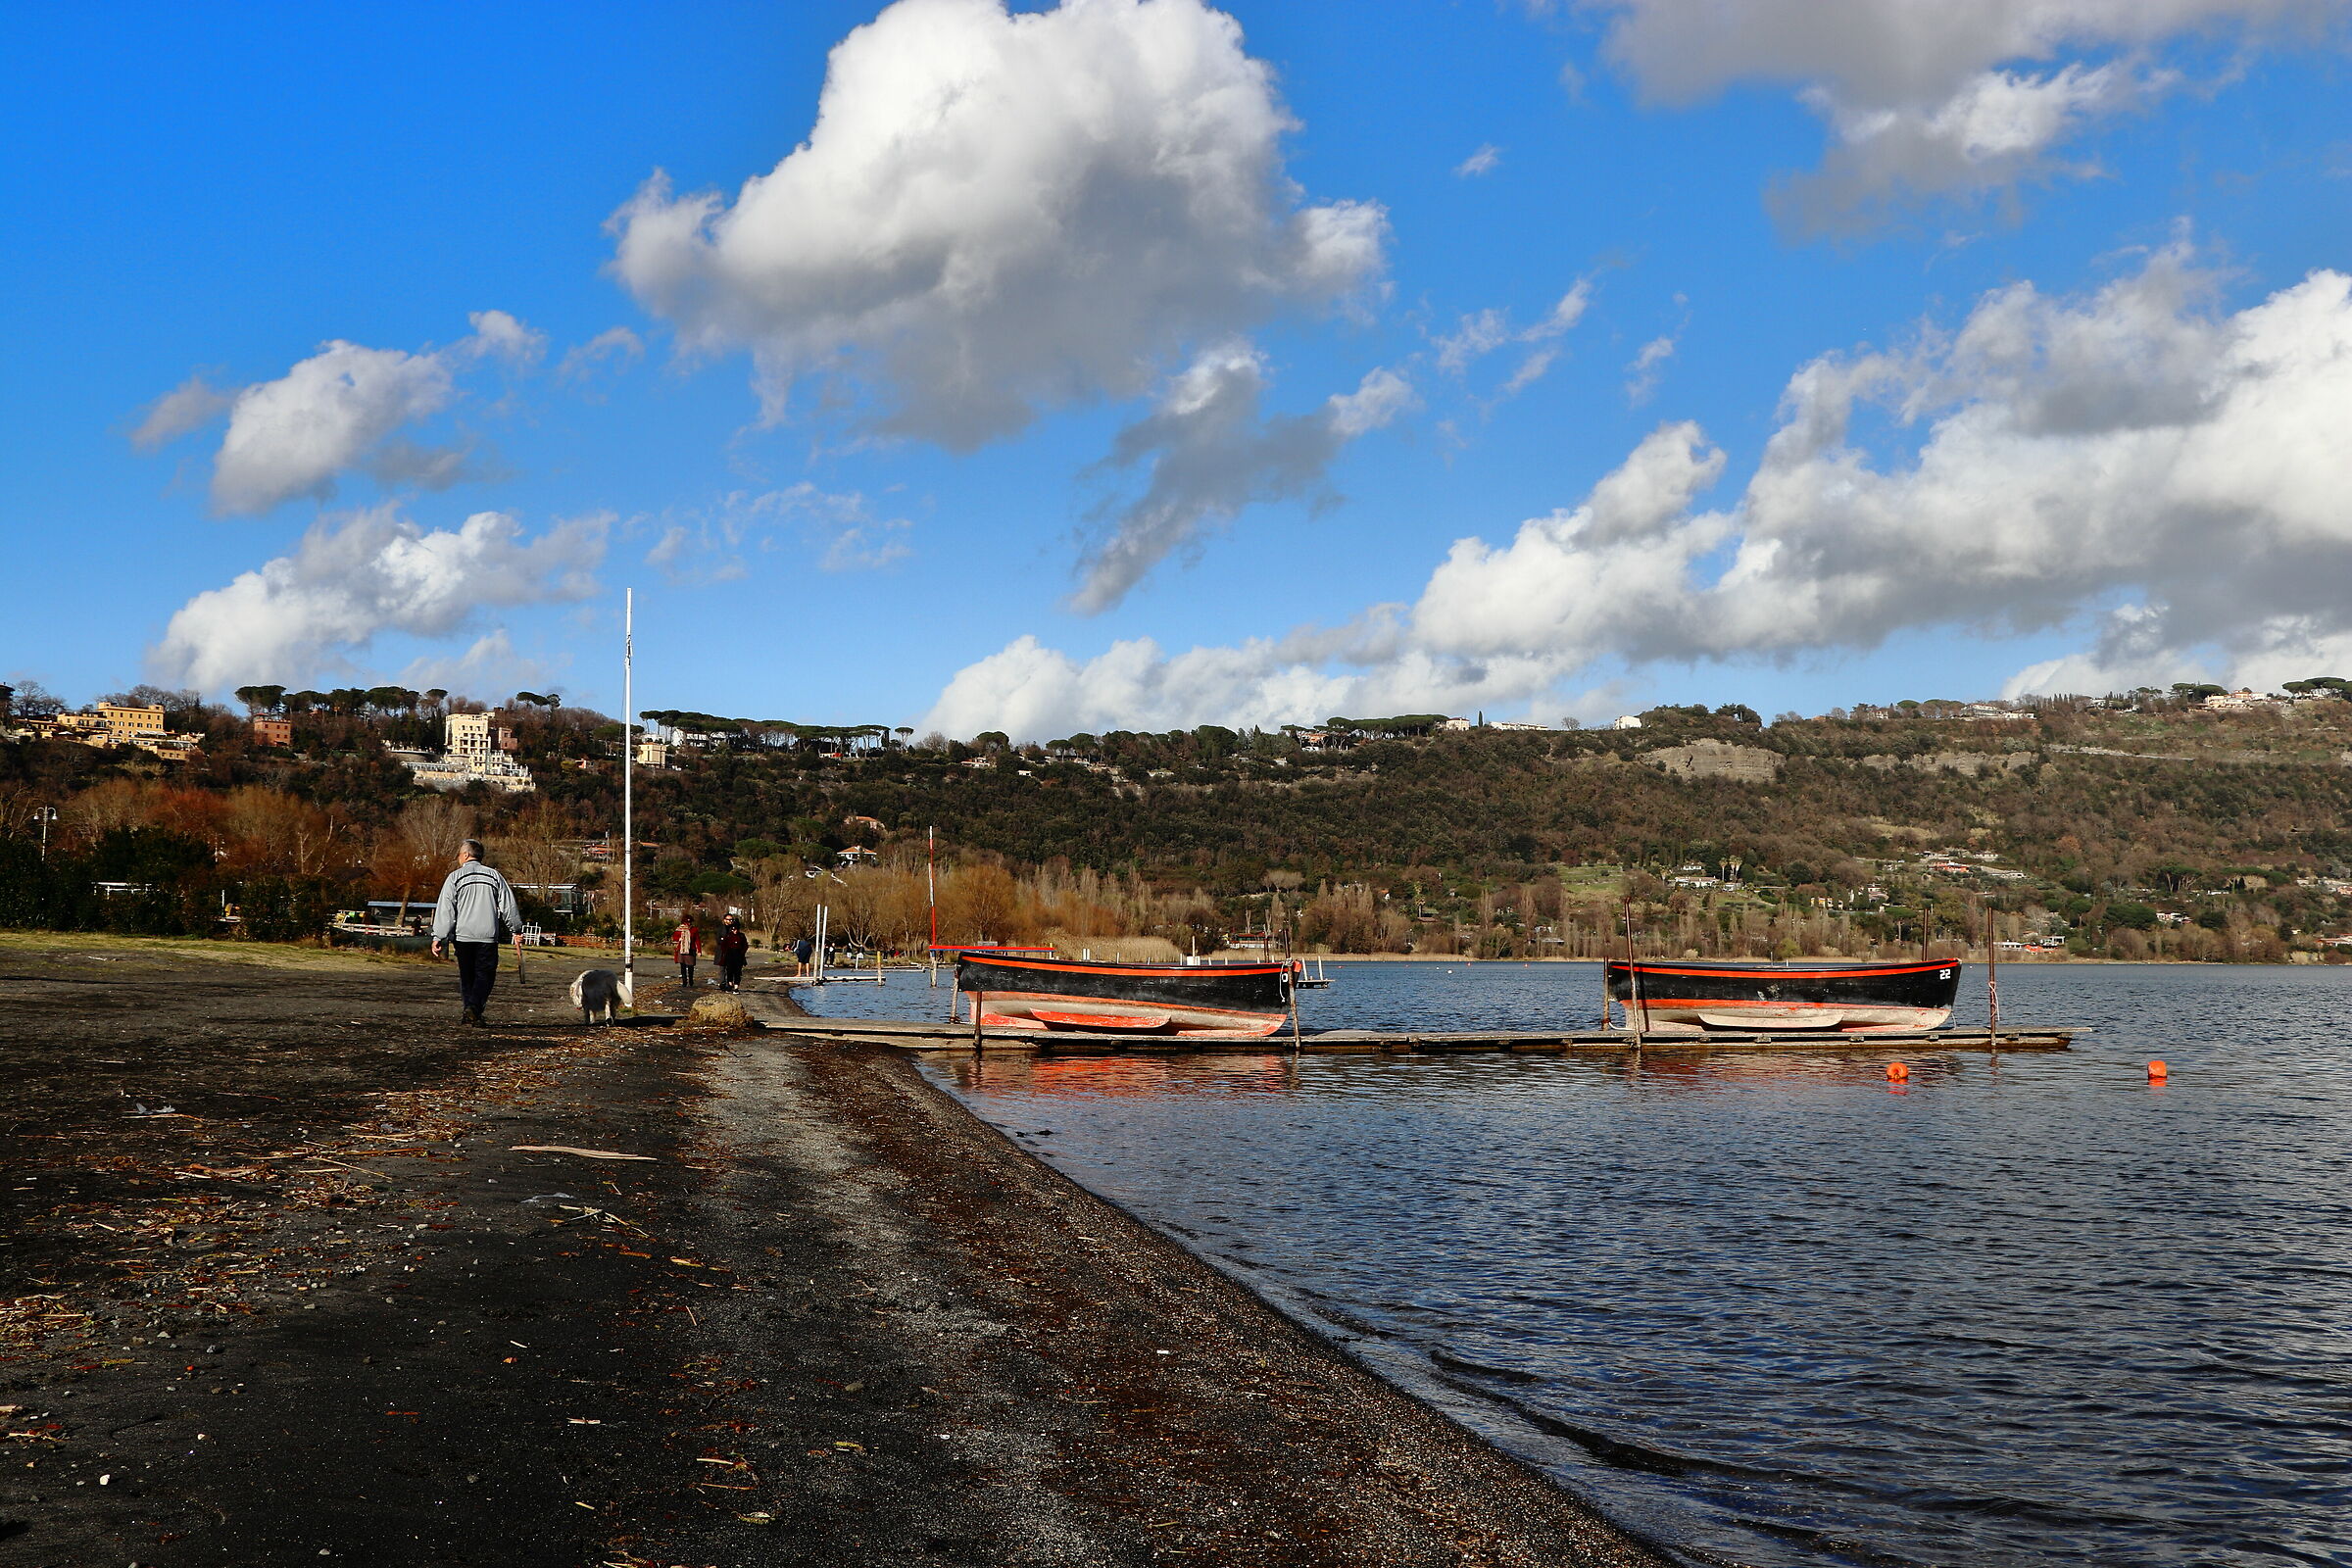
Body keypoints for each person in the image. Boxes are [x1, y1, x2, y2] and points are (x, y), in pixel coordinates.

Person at [429, 839, 522, 1027]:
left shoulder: (454, 877)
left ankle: (470, 1010)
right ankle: (474, 1009)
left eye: (458, 854)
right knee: (485, 975)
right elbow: (508, 906)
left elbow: (446, 909)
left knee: (467, 976)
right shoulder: (495, 876)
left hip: (463, 935)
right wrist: (516, 929)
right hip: (488, 935)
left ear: (465, 855)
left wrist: (439, 936)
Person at [715, 911, 750, 992]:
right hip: (723, 952)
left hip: (735, 954)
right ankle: (723, 983)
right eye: (729, 919)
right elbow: (719, 940)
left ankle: (730, 984)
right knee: (722, 968)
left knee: (733, 970)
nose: (730, 921)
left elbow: (743, 944)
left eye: (731, 920)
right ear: (724, 920)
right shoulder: (721, 929)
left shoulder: (736, 929)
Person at [671, 915, 701, 990]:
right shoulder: (679, 929)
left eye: (690, 922)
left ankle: (691, 980)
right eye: (687, 922)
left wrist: (699, 951)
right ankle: (684, 981)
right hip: (681, 949)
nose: (688, 923)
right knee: (683, 966)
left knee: (691, 966)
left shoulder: (694, 929)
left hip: (691, 949)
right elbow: (674, 938)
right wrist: (679, 938)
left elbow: (697, 940)